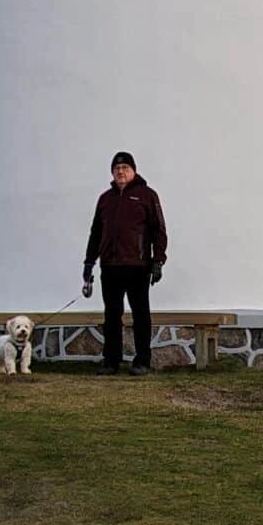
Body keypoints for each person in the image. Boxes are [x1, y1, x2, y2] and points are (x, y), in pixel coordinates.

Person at [82, 151, 167, 375]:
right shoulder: (105, 199)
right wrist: (89, 263)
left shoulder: (147, 195)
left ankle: (142, 360)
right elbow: (95, 233)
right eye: (117, 169)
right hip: (110, 266)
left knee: (140, 314)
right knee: (111, 314)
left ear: (134, 171)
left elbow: (159, 231)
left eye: (125, 168)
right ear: (112, 172)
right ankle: (111, 360)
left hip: (137, 266)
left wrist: (158, 260)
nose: (121, 172)